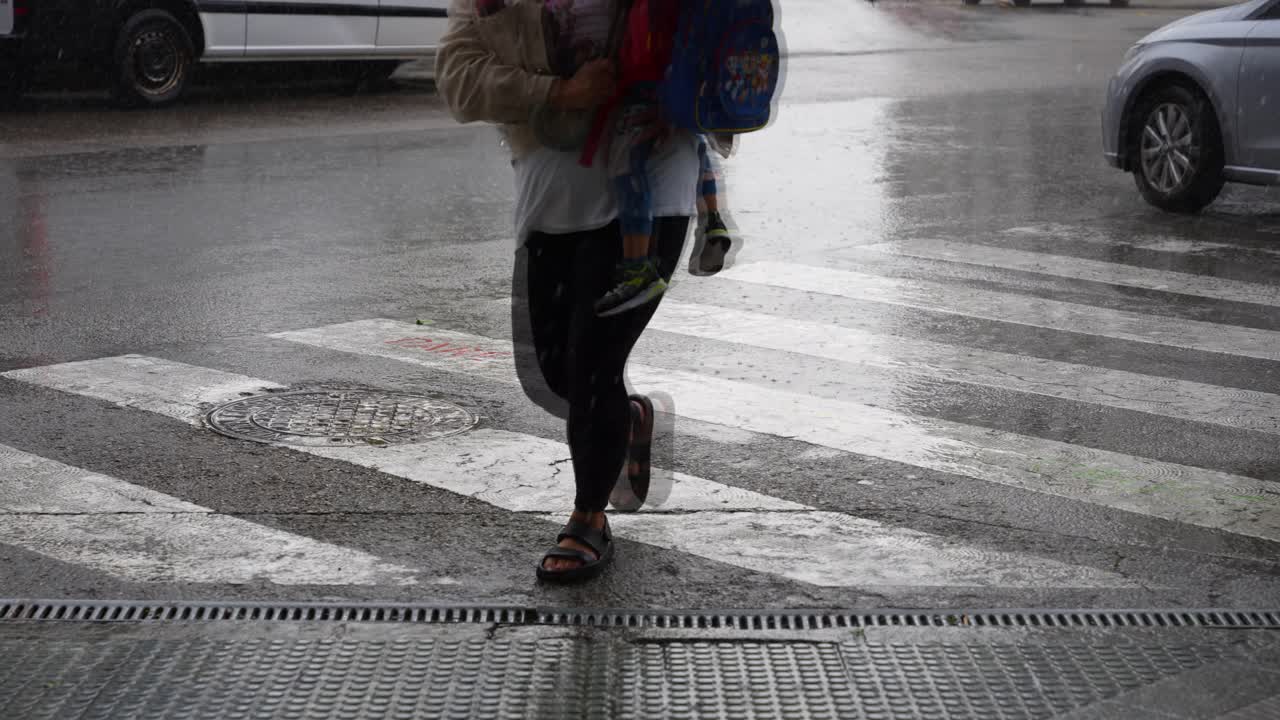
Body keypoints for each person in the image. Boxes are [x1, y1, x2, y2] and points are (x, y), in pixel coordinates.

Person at [436, 0, 700, 582]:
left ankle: (587, 518)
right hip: (552, 193)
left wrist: (681, 98)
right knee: (556, 374)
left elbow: (734, 41)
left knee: (594, 364)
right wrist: (559, 92)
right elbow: (457, 77)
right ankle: (627, 418)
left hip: (653, 189)